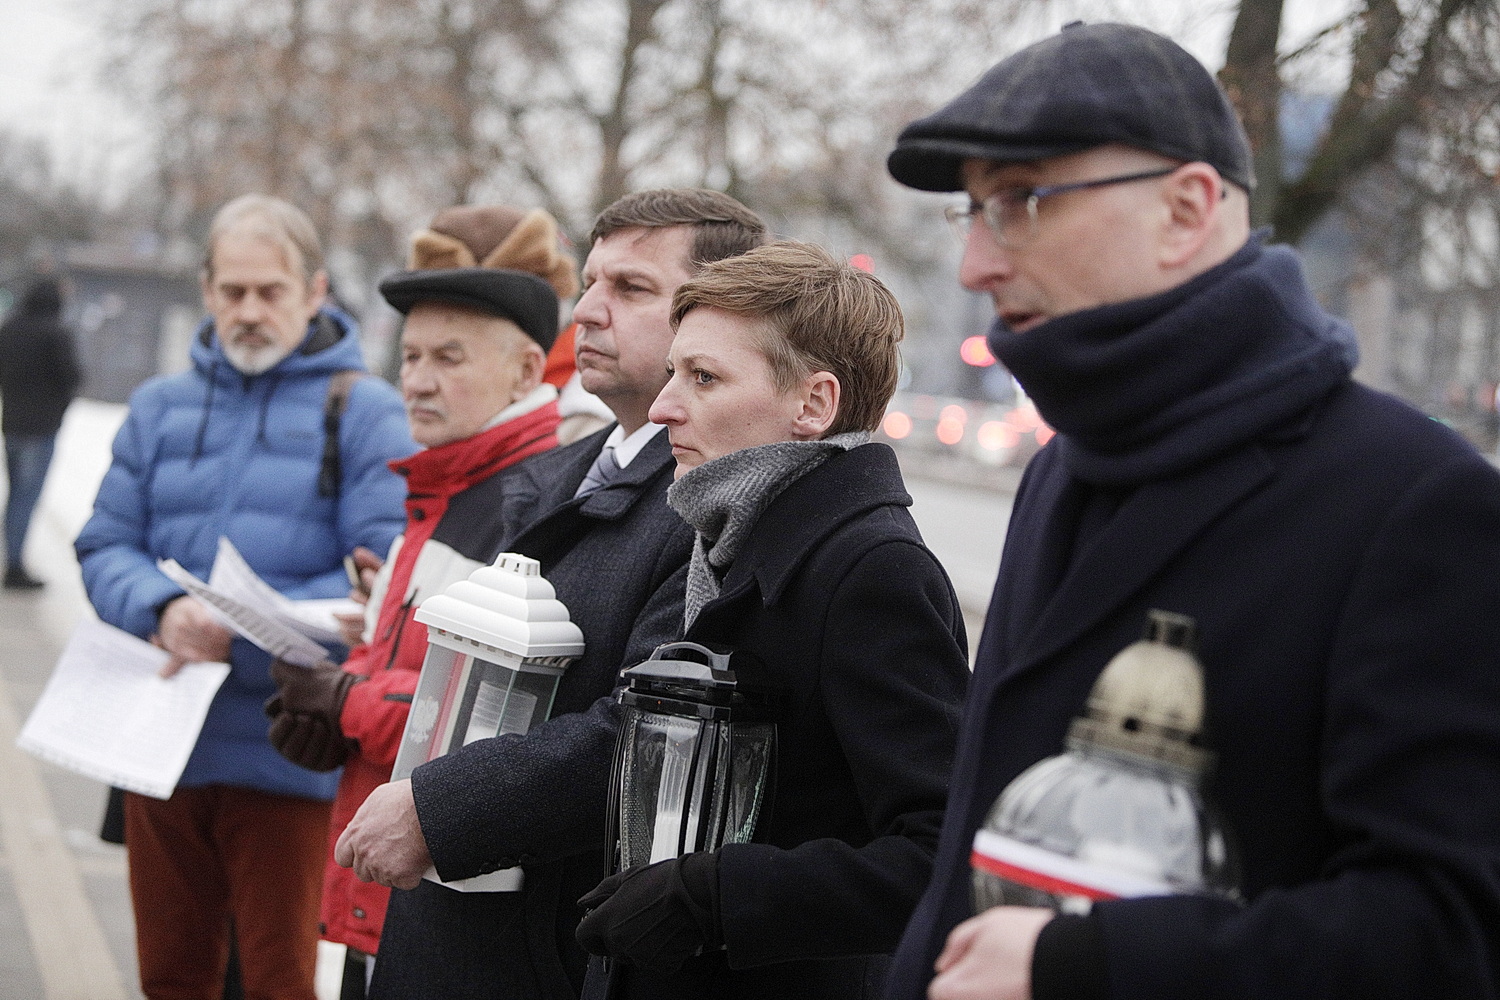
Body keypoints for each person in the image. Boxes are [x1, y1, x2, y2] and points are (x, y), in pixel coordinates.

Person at [882, 21, 1500, 1000]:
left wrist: (1086, 966)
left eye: (1021, 203)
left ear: (1186, 208)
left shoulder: (1413, 501)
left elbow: (1446, 933)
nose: (975, 267)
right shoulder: (1063, 469)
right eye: (971, 214)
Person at [334, 188, 769, 1000]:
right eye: (592, 282)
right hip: (458, 925)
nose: (589, 312)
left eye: (631, 289)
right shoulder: (558, 476)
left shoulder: (713, 506)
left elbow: (639, 732)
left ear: (717, 315)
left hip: (551, 947)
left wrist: (439, 810)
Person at [573, 240, 970, 998]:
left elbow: (940, 852)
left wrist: (716, 898)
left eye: (704, 378)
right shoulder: (730, 536)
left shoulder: (873, 571)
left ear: (813, 405)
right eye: (671, 374)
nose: (663, 408)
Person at [75, 194, 415, 1000]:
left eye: (270, 292)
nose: (250, 311)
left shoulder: (364, 412)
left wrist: (244, 630)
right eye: (233, 292)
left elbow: (383, 579)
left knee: (276, 980)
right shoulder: (160, 407)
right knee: (171, 974)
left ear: (315, 290)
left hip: (286, 752)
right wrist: (162, 609)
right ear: (206, 291)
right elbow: (103, 544)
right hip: (160, 743)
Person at [262, 202, 576, 996]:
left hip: (459, 900)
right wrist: (341, 719)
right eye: (409, 357)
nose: (419, 380)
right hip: (403, 883)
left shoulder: (535, 505)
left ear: (527, 370)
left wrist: (346, 702)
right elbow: (402, 668)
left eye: (449, 357)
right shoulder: (441, 483)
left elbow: (493, 714)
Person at [0, 275, 81, 589]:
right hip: (41, 428)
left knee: (16, 494)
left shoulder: (10, 329)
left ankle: (13, 557)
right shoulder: (56, 333)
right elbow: (70, 376)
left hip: (13, 426)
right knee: (25, 498)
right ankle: (15, 565)